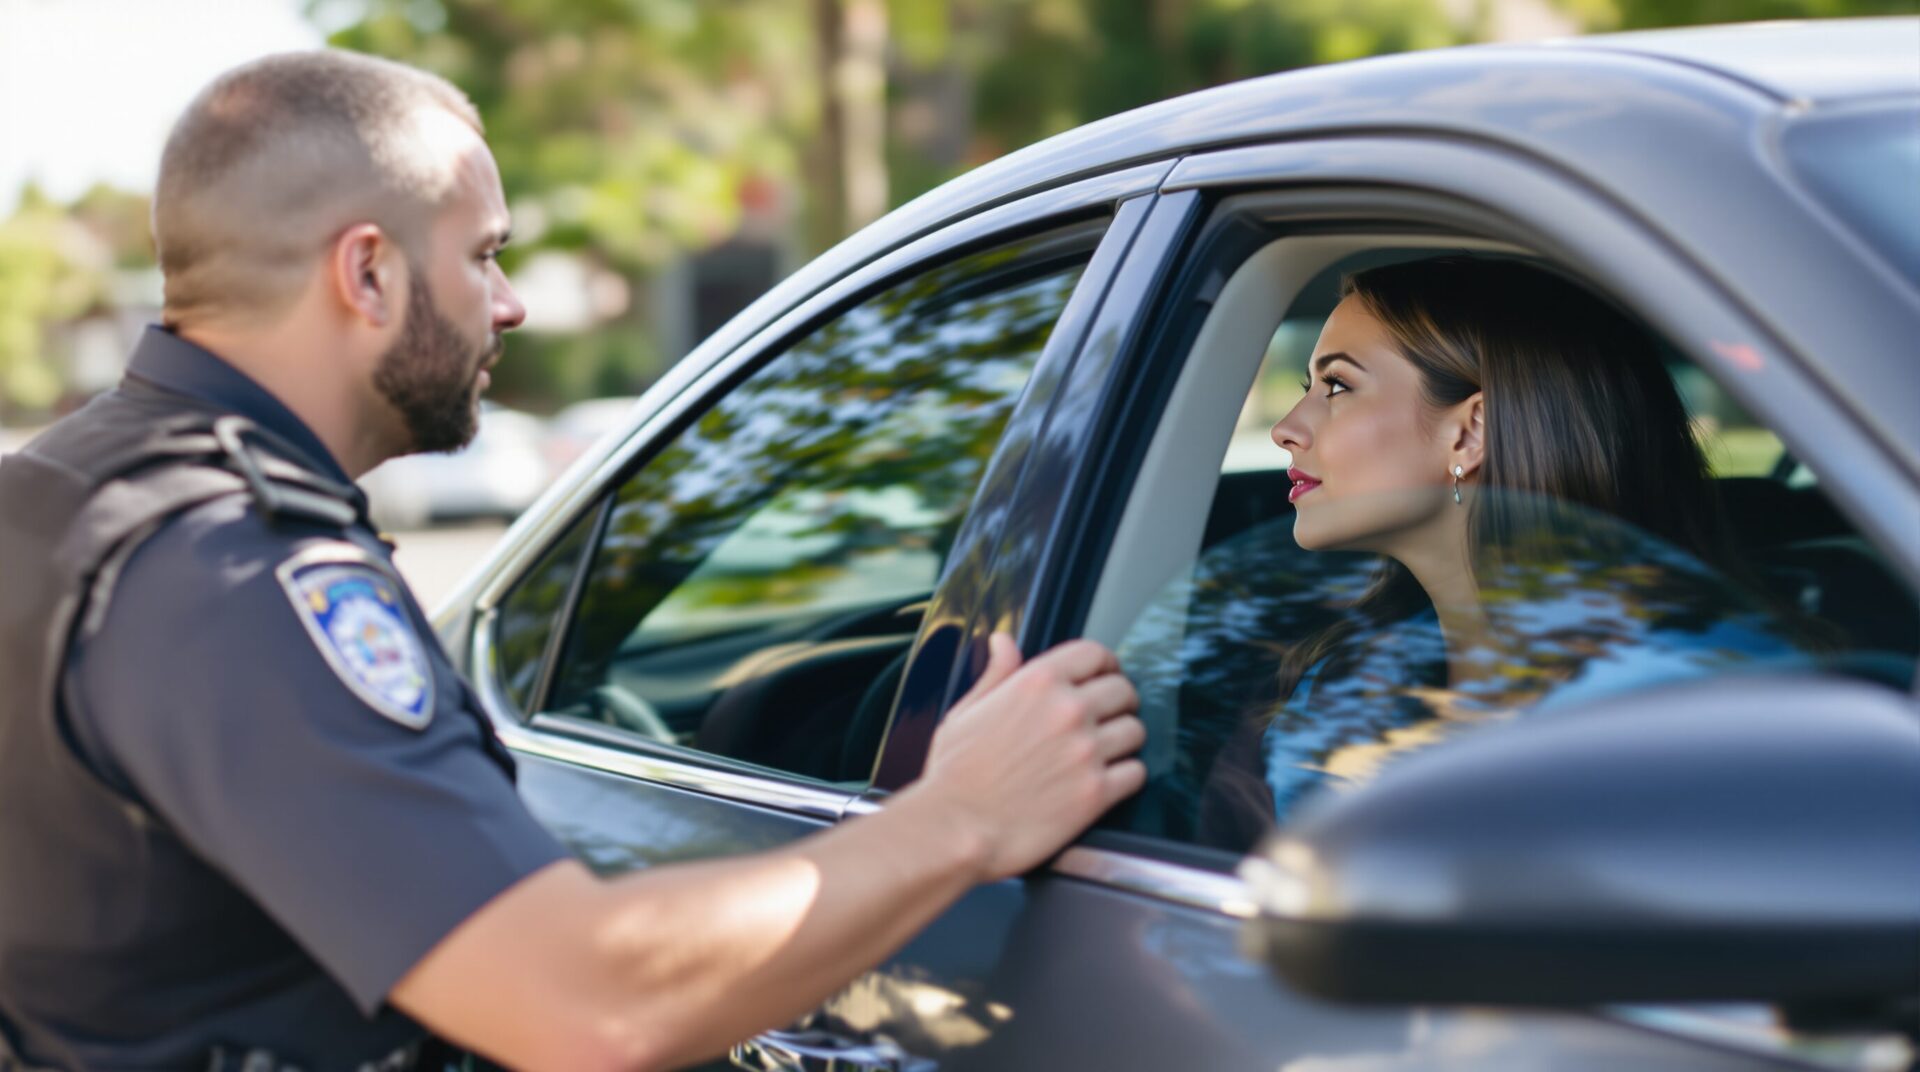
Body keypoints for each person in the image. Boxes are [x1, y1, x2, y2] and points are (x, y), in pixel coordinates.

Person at [0, 51, 1146, 1071]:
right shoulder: (234, 572)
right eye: (485, 256)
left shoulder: (59, 496)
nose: (508, 307)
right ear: (368, 274)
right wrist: (960, 817)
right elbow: (581, 1005)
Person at [1198, 256, 1806, 844]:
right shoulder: (1321, 687)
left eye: (1335, 385)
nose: (1285, 428)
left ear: (1470, 432)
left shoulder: (1699, 719)